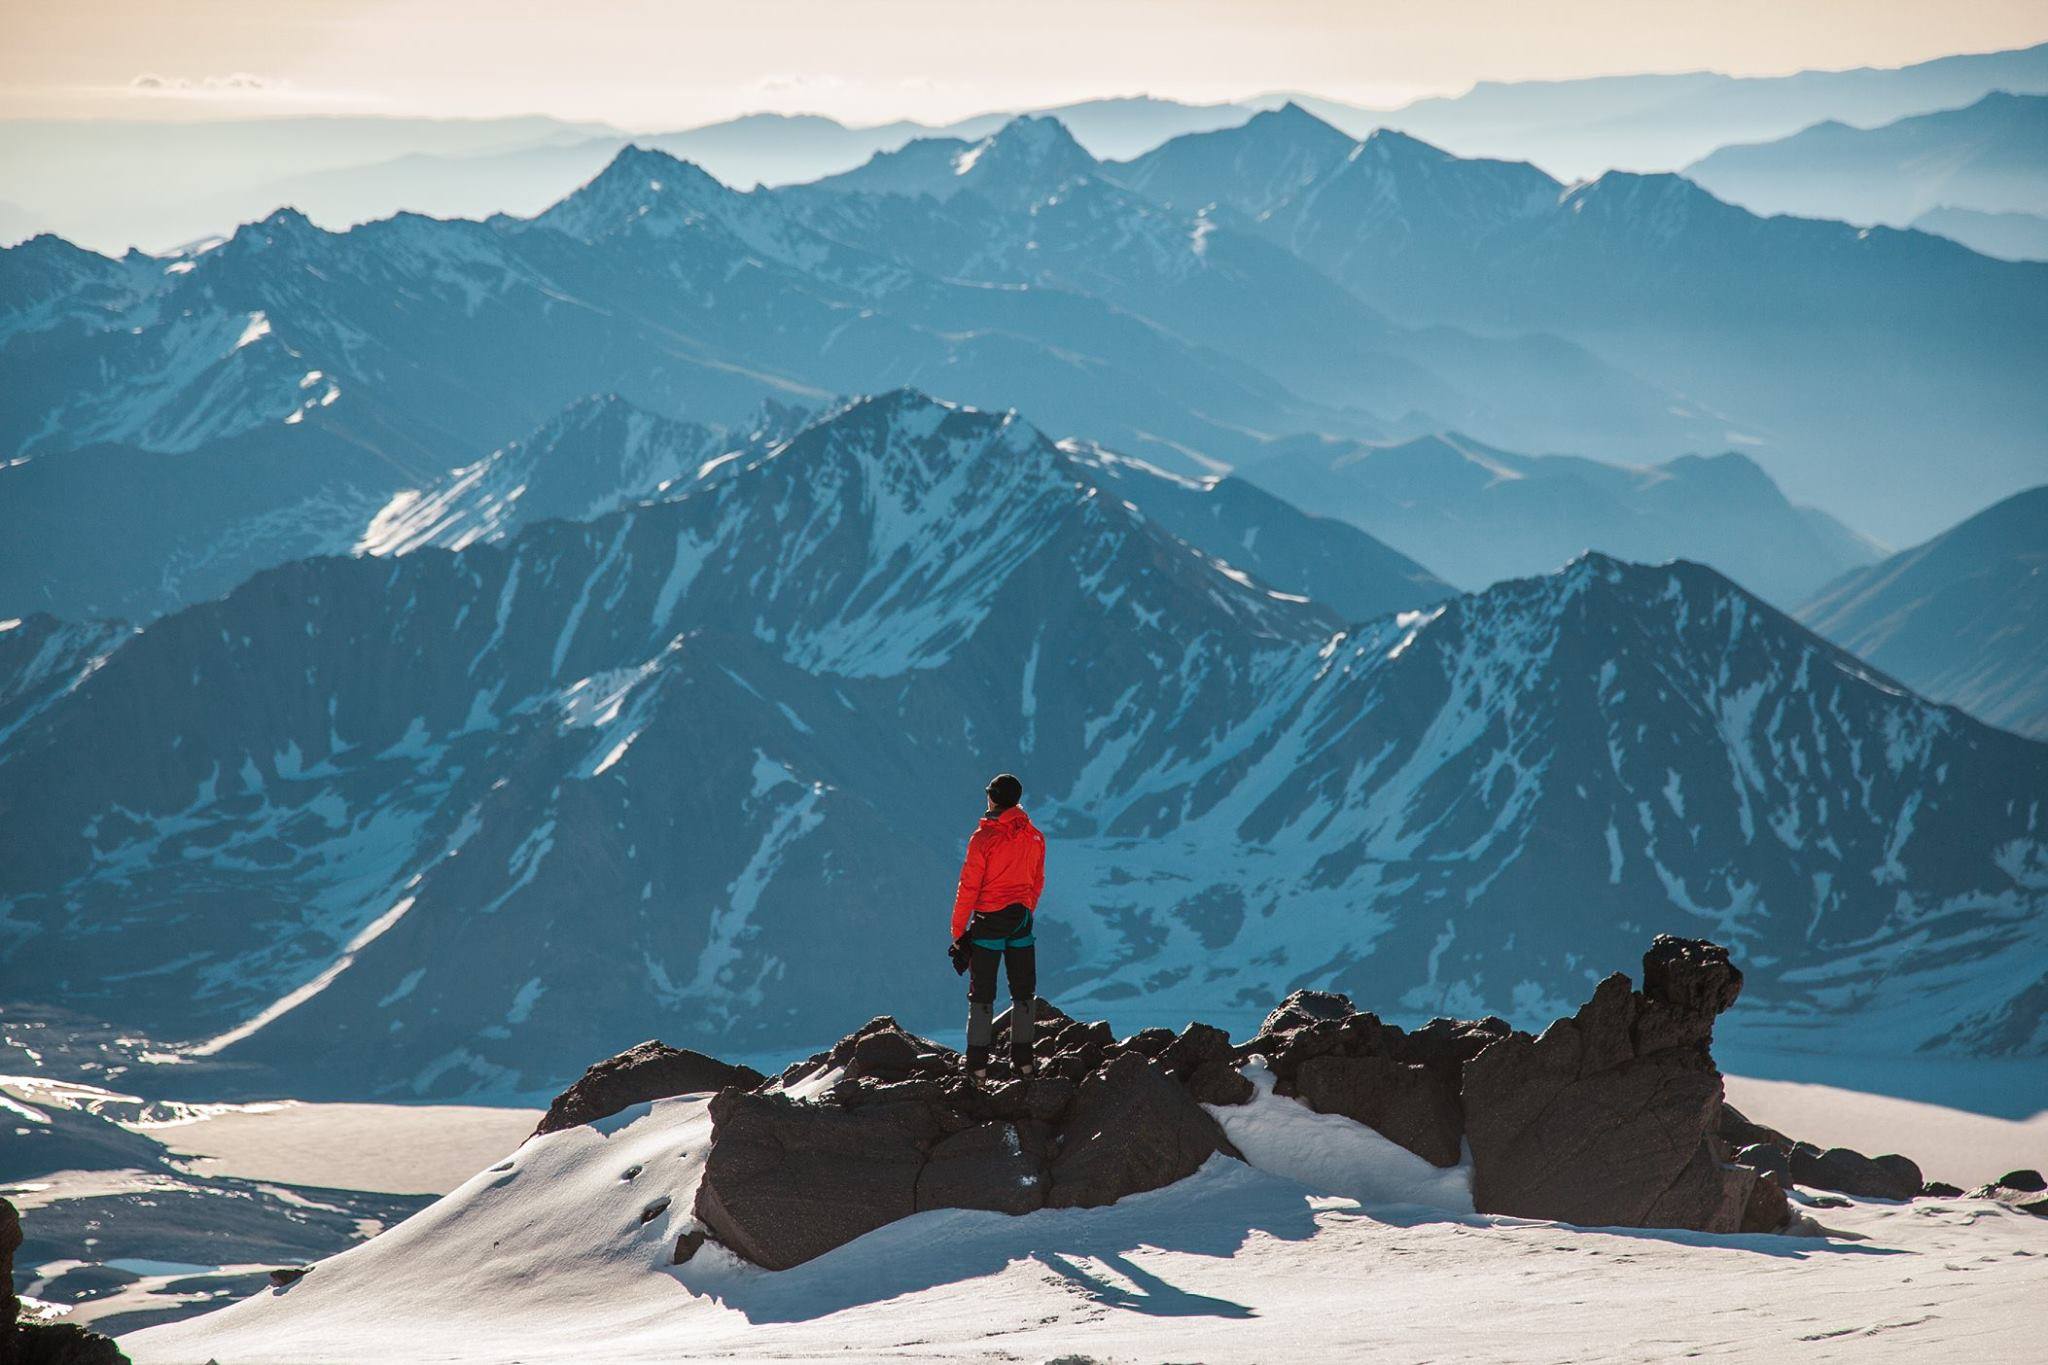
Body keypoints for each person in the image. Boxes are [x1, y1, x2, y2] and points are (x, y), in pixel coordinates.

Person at [948, 772, 1045, 1079]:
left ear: (992, 798)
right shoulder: (1035, 836)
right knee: (1023, 989)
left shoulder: (984, 839)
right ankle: (1024, 1062)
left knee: (982, 993)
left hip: (988, 922)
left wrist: (958, 931)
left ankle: (977, 1068)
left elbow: (969, 887)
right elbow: (1037, 881)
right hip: (1020, 921)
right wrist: (1025, 910)